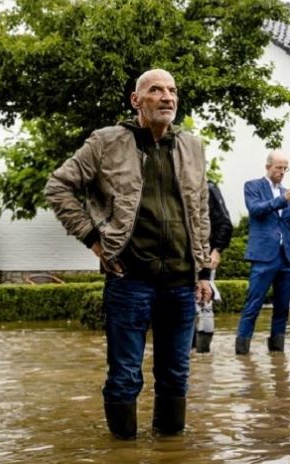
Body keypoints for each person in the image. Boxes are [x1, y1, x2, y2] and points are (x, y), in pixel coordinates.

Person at [45, 68, 213, 440]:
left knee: (176, 374)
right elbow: (58, 187)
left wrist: (203, 273)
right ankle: (123, 451)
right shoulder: (106, 142)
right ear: (136, 101)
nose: (167, 97)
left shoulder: (193, 146)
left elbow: (199, 211)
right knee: (124, 375)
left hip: (180, 282)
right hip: (129, 279)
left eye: (172, 91)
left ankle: (170, 449)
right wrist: (93, 239)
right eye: (156, 90)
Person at [234, 151, 290, 355]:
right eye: (279, 167)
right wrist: (282, 200)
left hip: (286, 258)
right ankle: (242, 352)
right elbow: (255, 209)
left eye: (285, 168)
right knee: (253, 304)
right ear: (268, 167)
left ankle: (277, 352)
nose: (282, 172)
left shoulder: (289, 193)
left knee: (283, 308)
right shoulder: (253, 186)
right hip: (263, 257)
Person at [194, 180, 234, 353]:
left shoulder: (208, 188)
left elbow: (225, 223)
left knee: (204, 303)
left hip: (204, 256)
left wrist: (217, 250)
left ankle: (202, 353)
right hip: (179, 257)